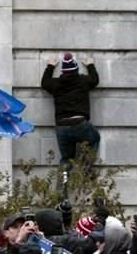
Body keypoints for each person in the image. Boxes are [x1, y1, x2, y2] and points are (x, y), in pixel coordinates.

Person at [41, 53, 101, 182]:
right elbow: (95, 79)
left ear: (62, 71)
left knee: (66, 160)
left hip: (61, 126)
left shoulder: (56, 84)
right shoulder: (83, 81)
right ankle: (87, 168)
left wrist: (50, 66)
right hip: (80, 123)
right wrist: (90, 65)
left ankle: (62, 195)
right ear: (76, 69)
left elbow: (45, 83)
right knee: (94, 139)